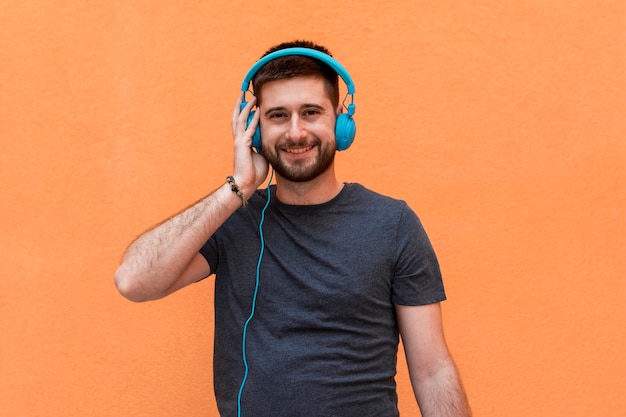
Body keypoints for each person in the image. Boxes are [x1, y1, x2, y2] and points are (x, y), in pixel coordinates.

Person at [115, 40, 472, 417]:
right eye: (278, 116)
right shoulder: (234, 217)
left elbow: (432, 369)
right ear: (253, 129)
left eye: (311, 112)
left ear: (341, 119)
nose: (296, 133)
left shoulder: (393, 223)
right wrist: (238, 186)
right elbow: (134, 281)